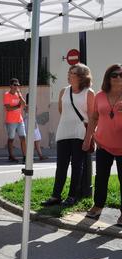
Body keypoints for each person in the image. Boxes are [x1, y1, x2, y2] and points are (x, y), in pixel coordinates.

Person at [42, 63, 95, 207]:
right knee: (61, 166)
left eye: (73, 72)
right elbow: (61, 110)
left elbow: (92, 117)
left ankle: (72, 196)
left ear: (82, 76)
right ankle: (55, 196)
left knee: (77, 165)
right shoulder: (64, 91)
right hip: (64, 130)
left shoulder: (89, 93)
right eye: (69, 72)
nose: (69, 74)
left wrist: (88, 138)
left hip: (80, 132)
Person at [84, 64, 122, 224]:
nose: (119, 77)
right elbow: (93, 118)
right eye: (115, 75)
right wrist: (88, 139)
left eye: (121, 75)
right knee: (101, 177)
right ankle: (98, 206)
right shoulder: (100, 96)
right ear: (108, 77)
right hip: (103, 143)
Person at [3, 78, 27, 163]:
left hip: (19, 120)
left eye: (18, 85)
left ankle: (25, 157)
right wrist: (17, 106)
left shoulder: (18, 94)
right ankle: (11, 156)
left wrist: (20, 95)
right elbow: (8, 108)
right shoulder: (7, 95)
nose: (16, 86)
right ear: (10, 86)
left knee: (23, 138)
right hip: (11, 121)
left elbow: (24, 105)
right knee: (11, 139)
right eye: (15, 85)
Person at [24, 93, 48, 161]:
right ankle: (30, 157)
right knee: (32, 140)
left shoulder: (32, 104)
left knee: (37, 139)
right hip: (30, 123)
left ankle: (40, 155)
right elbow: (29, 113)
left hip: (33, 122)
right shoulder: (27, 105)